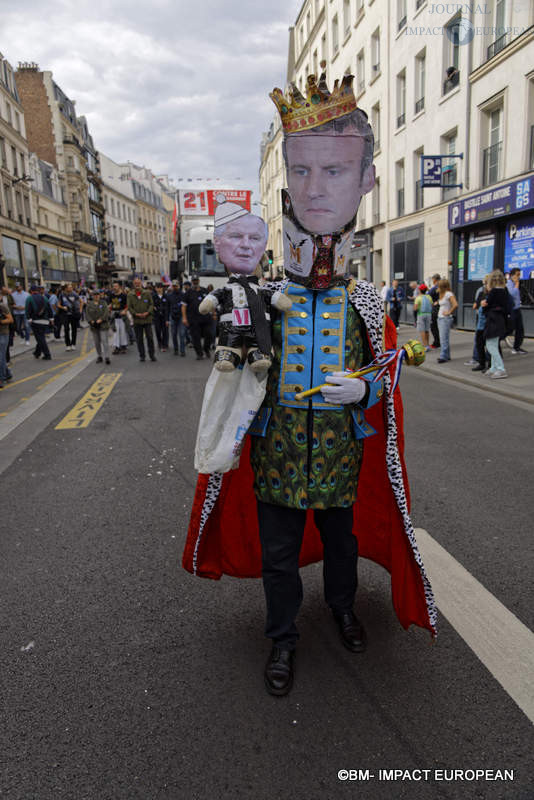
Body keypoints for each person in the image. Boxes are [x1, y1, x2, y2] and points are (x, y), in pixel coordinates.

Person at [183, 64, 436, 697]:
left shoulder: (368, 299)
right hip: (277, 454)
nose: (317, 188)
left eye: (335, 169)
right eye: (302, 170)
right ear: (288, 184)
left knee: (343, 545)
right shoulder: (263, 295)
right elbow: (231, 377)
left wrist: (368, 390)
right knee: (278, 557)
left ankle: (345, 608)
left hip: (342, 454)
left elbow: (387, 374)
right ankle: (283, 638)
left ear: (364, 180)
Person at [481, 270, 508, 379]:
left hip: (492, 319)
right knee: (494, 344)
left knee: (490, 345)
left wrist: (483, 305)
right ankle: (493, 368)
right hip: (500, 319)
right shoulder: (504, 291)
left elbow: (488, 305)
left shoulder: (493, 292)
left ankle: (501, 368)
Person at [182, 277, 212, 360]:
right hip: (193, 319)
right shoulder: (188, 293)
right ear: (192, 282)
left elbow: (211, 302)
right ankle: (199, 353)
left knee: (209, 334)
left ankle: (206, 349)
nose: (195, 282)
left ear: (199, 281)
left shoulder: (205, 291)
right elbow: (183, 306)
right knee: (196, 337)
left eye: (196, 281)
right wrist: (184, 318)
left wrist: (213, 313)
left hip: (206, 318)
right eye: (193, 281)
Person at [127, 277, 156, 362]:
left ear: (141, 283)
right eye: (135, 283)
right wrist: (136, 314)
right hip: (137, 320)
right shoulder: (130, 294)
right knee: (139, 339)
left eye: (138, 283)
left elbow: (151, 304)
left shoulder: (147, 293)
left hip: (147, 319)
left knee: (150, 338)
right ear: (133, 284)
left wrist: (147, 312)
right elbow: (129, 307)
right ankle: (142, 355)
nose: (137, 284)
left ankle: (152, 355)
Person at [25, 284, 53, 360]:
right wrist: (51, 319)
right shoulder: (44, 298)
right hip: (45, 321)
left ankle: (47, 355)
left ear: (31, 291)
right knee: (41, 337)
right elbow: (50, 309)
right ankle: (37, 353)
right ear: (37, 290)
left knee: (40, 338)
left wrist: (29, 320)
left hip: (36, 321)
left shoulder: (29, 298)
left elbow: (27, 310)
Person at [86, 288, 111, 364]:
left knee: (104, 341)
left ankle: (107, 356)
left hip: (103, 325)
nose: (96, 296)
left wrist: (101, 319)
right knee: (97, 342)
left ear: (100, 295)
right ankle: (99, 356)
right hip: (94, 326)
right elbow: (87, 314)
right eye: (94, 295)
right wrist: (91, 321)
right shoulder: (89, 304)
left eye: (97, 295)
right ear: (92, 296)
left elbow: (106, 313)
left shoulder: (103, 303)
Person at [506, 268, 527, 355]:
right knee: (510, 329)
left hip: (517, 308)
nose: (519, 277)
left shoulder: (516, 284)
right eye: (517, 275)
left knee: (520, 329)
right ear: (512, 275)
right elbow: (512, 294)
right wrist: (517, 284)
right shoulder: (509, 284)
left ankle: (516, 347)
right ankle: (497, 339)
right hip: (512, 310)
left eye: (519, 275)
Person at [436, 278, 457, 363]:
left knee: (443, 338)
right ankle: (446, 355)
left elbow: (455, 304)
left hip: (445, 318)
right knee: (443, 337)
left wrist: (449, 312)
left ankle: (443, 356)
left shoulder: (448, 294)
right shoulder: (442, 294)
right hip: (440, 318)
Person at [471, 274, 490, 372]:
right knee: (480, 343)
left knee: (489, 344)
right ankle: (482, 363)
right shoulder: (481, 293)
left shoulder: (491, 294)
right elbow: (476, 305)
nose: (485, 286)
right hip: (481, 321)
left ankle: (489, 365)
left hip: (488, 322)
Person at [57, 283, 81, 351]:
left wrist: (80, 311)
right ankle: (68, 345)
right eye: (69, 287)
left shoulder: (74, 294)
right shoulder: (61, 295)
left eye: (71, 287)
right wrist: (63, 307)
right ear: (65, 288)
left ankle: (73, 344)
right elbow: (58, 304)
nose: (71, 289)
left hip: (73, 314)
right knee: (66, 329)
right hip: (65, 315)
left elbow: (81, 302)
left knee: (74, 329)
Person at [108, 282, 129, 354]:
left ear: (119, 287)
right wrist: (109, 309)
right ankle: (117, 347)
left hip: (122, 315)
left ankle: (123, 346)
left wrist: (125, 311)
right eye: (113, 286)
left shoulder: (124, 295)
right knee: (115, 332)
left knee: (122, 331)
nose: (114, 287)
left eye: (116, 286)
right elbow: (110, 304)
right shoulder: (111, 295)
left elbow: (128, 305)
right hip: (114, 315)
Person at [167, 281, 187, 356]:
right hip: (172, 316)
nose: (175, 287)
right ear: (172, 286)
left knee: (182, 334)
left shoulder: (183, 295)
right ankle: (176, 349)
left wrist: (186, 317)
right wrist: (167, 319)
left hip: (181, 316)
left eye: (176, 286)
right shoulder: (169, 295)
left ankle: (182, 350)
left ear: (179, 286)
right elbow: (167, 307)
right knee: (174, 334)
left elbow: (186, 306)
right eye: (174, 286)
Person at [0, 297, 14, 389]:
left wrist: (1, 321)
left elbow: (10, 320)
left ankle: (1, 378)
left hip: (3, 334)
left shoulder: (2, 307)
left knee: (1, 357)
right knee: (1, 358)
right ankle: (7, 374)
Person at [152, 283, 170, 352]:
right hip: (156, 316)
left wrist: (168, 319)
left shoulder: (166, 296)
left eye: (160, 287)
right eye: (157, 287)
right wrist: (154, 308)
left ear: (162, 288)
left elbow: (168, 307)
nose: (159, 289)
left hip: (164, 316)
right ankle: (159, 342)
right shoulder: (153, 296)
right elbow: (151, 305)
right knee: (158, 330)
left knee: (165, 331)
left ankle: (164, 344)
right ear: (155, 288)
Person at [414, 284, 432, 350]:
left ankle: (425, 346)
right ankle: (428, 344)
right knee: (427, 330)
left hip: (421, 315)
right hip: (429, 314)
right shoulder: (429, 297)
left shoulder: (418, 298)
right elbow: (431, 305)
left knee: (422, 330)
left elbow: (415, 308)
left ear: (419, 290)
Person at [427, 274, 441, 349]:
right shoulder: (443, 286)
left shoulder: (434, 288)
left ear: (434, 280)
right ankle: (439, 341)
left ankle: (437, 342)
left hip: (435, 309)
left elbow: (428, 296)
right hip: (442, 309)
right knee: (439, 326)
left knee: (433, 326)